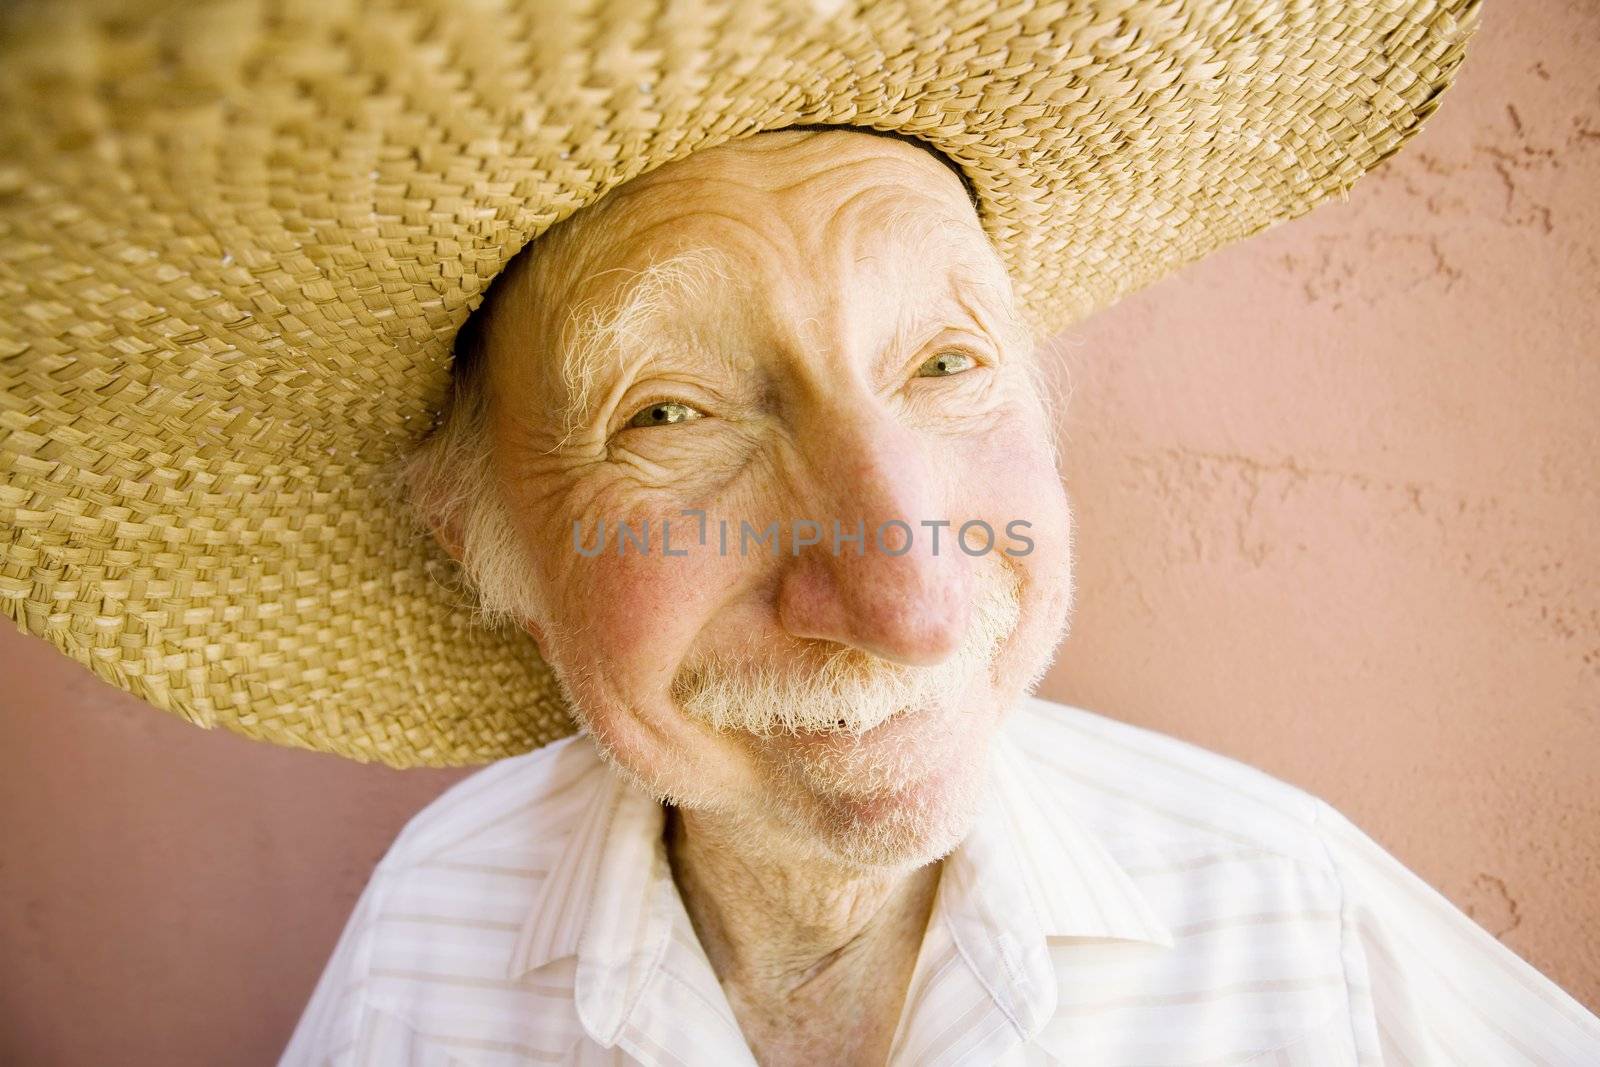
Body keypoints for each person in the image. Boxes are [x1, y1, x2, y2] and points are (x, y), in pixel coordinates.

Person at [3, 1, 1595, 1064]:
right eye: (670, 415)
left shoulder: (1287, 918)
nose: (909, 606)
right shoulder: (434, 930)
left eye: (948, 363)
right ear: (480, 545)